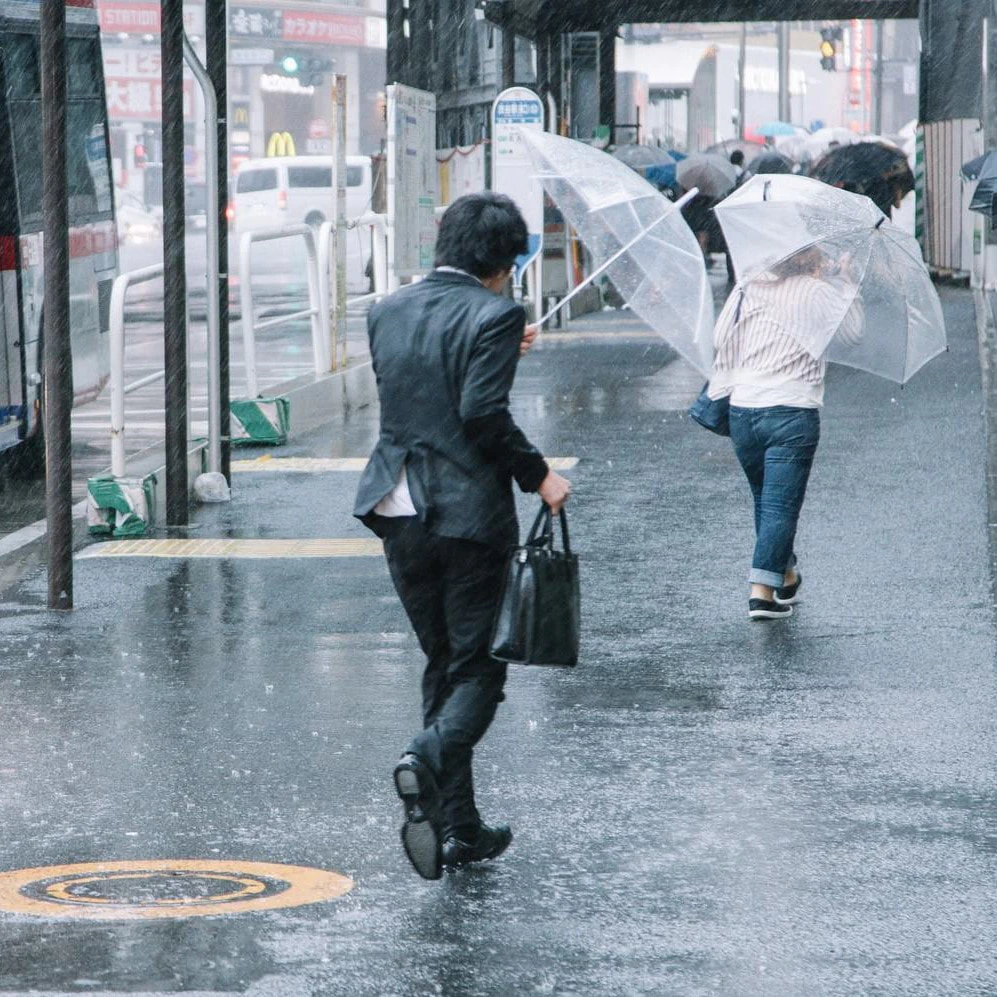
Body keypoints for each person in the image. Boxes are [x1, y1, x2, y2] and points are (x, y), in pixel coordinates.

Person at [354, 192, 572, 879]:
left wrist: (505, 340)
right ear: (504, 262)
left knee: (443, 661)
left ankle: (459, 825)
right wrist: (538, 475)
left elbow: (421, 376)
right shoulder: (495, 312)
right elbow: (478, 411)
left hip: (397, 503)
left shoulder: (385, 309)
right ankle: (424, 758)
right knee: (477, 669)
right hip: (466, 514)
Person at [707, 246, 863, 621]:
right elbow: (852, 334)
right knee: (779, 506)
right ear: (809, 258)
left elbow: (718, 337)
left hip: (743, 409)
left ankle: (786, 572)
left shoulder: (748, 286)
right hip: (791, 409)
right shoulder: (816, 292)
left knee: (767, 499)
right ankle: (760, 593)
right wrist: (847, 281)